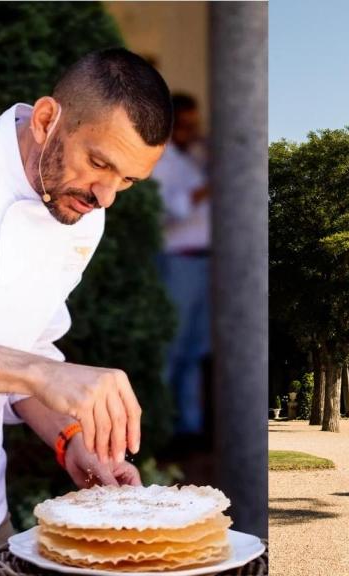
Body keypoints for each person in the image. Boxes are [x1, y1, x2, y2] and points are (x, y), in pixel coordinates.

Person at [0, 48, 172, 574]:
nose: (106, 197)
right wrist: (44, 373)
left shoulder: (82, 214)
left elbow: (28, 347)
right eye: (99, 163)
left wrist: (69, 439)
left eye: (128, 182)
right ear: (48, 119)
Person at [151, 93, 211, 440]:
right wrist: (212, 187)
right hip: (178, 261)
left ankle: (188, 425)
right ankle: (157, 428)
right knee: (170, 348)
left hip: (205, 263)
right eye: (185, 123)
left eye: (194, 123)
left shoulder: (194, 159)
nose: (192, 130)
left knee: (195, 349)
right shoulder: (160, 161)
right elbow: (174, 211)